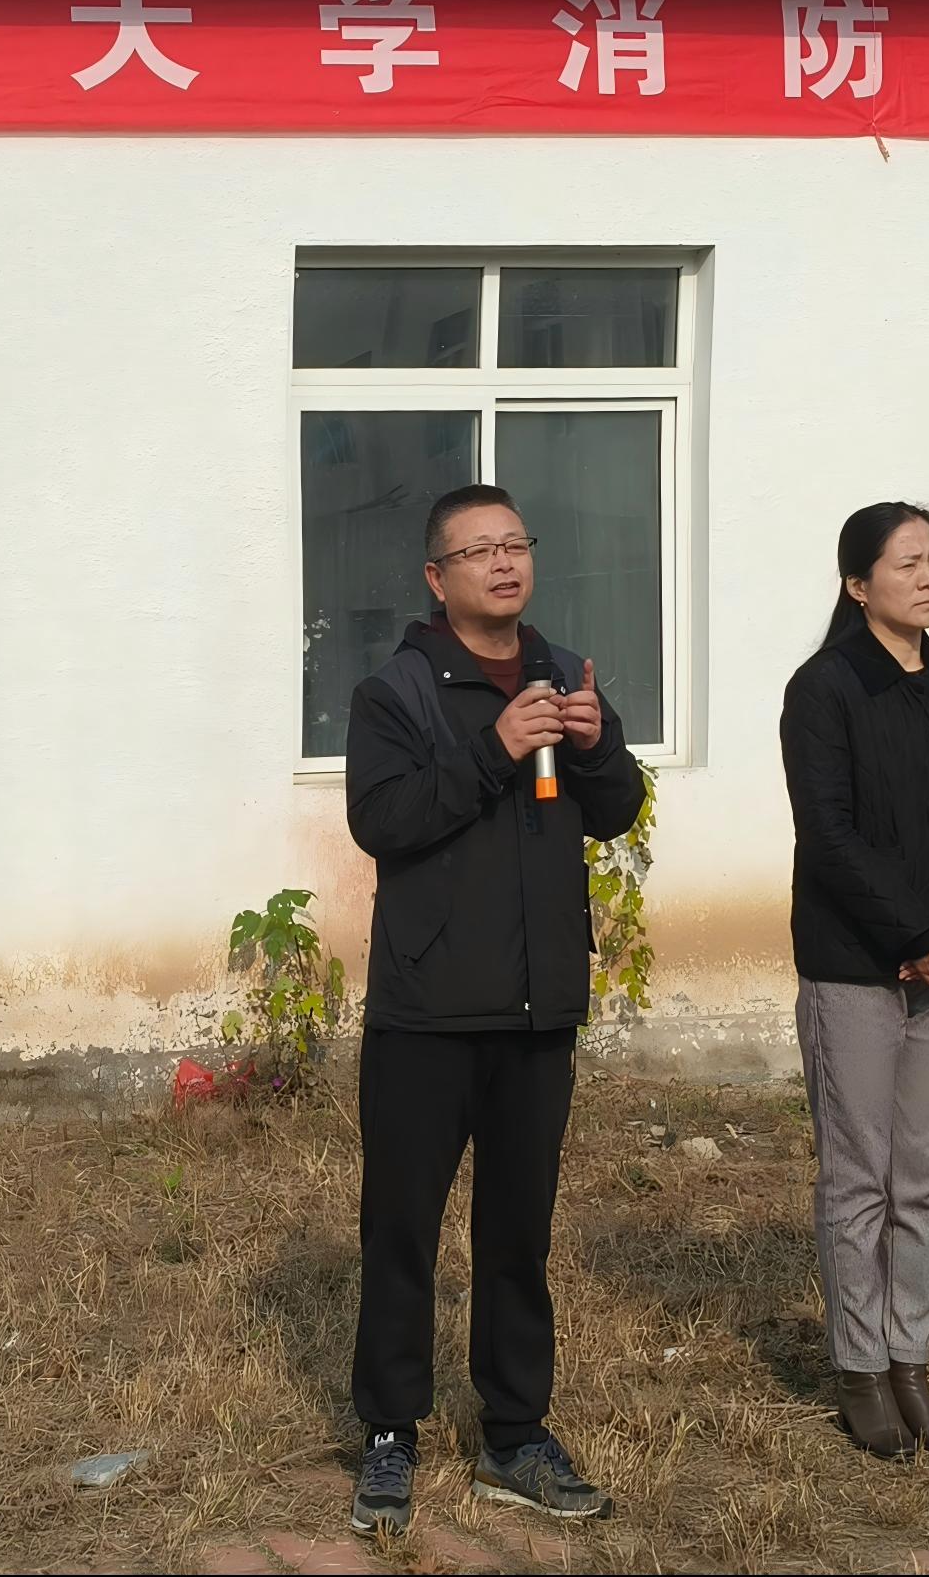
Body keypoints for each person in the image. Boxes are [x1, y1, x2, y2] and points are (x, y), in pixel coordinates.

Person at [341, 484, 646, 1535]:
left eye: (516, 544)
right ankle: (390, 1432)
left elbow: (615, 811)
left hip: (535, 1007)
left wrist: (597, 745)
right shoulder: (396, 692)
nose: (504, 563)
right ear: (439, 577)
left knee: (519, 1233)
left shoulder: (561, 672)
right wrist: (493, 749)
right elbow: (384, 820)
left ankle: (515, 1433)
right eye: (479, 551)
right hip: (427, 1011)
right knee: (402, 1229)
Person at [779, 502, 929, 1458]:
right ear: (857, 583)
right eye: (907, 562)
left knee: (922, 1179)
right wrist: (913, 932)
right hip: (856, 968)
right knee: (859, 1177)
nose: (928, 577)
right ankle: (860, 1371)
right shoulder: (824, 688)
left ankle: (910, 1361)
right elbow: (827, 832)